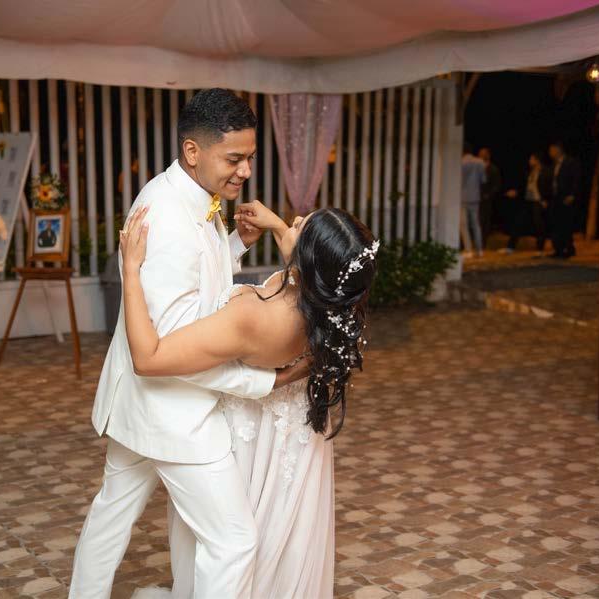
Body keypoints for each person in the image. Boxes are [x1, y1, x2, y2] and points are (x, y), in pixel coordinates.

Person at [68, 89, 306, 599]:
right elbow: (174, 347)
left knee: (114, 515)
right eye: (234, 159)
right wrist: (265, 381)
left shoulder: (188, 194)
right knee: (233, 541)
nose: (245, 171)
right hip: (176, 412)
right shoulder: (167, 217)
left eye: (249, 158)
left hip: (138, 406)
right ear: (193, 151)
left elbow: (195, 284)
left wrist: (235, 244)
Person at [120, 202, 376, 599]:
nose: (293, 221)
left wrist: (131, 270)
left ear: (307, 258)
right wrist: (273, 225)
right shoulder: (331, 299)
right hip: (293, 434)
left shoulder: (254, 316)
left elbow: (148, 359)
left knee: (233, 539)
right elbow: (302, 254)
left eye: (300, 226)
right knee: (281, 529)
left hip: (251, 435)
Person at [501, 152, 553, 256]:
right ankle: (510, 247)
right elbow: (526, 186)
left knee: (539, 226)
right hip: (528, 201)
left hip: (538, 201)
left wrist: (546, 200)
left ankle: (540, 249)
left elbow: (549, 187)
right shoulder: (529, 172)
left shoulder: (546, 171)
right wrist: (516, 192)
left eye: (531, 159)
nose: (529, 161)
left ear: (537, 160)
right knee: (518, 223)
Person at [548, 142, 580, 259]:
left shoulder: (570, 162)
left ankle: (568, 248)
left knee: (565, 223)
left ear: (558, 150)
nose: (550, 153)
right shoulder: (554, 165)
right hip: (555, 198)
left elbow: (576, 179)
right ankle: (558, 249)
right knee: (556, 223)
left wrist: (572, 195)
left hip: (566, 197)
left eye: (552, 150)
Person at [461, 142, 486, 258]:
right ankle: (479, 249)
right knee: (476, 224)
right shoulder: (480, 162)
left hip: (463, 196)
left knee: (464, 224)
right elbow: (483, 180)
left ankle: (468, 249)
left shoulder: (461, 162)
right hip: (475, 196)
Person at [478, 147, 502, 243]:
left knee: (485, 220)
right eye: (480, 154)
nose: (480, 156)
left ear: (488, 155)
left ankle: (483, 241)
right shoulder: (476, 167)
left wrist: (489, 195)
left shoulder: (493, 169)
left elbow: (497, 185)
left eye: (483, 154)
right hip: (475, 197)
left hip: (486, 199)